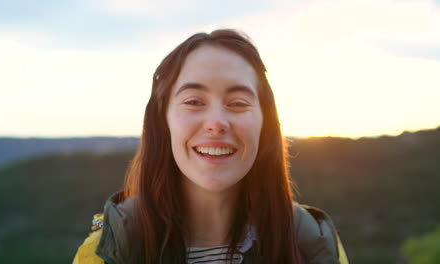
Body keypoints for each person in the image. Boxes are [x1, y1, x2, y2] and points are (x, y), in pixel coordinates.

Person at [73, 29, 349, 264]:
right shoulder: (106, 251)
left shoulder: (313, 244)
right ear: (163, 121)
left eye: (238, 103)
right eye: (194, 101)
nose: (216, 123)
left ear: (265, 124)